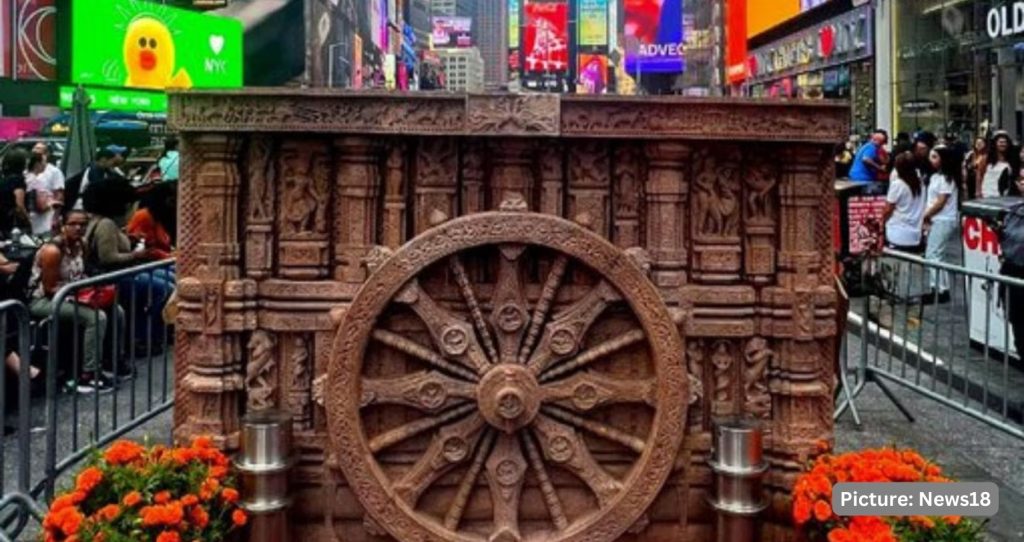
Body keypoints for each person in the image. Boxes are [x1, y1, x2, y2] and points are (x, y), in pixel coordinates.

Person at [28, 210, 124, 393]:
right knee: (96, 317)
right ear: (63, 225)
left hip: (73, 294)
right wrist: (81, 293)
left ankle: (113, 361)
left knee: (117, 310)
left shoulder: (82, 244)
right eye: (73, 224)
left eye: (82, 224)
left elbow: (81, 274)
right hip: (44, 300)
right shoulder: (52, 251)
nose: (78, 228)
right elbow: (49, 288)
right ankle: (89, 375)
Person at [83, 186, 171, 349]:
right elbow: (108, 257)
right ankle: (144, 335)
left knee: (164, 283)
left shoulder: (103, 221)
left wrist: (129, 238)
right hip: (115, 276)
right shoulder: (106, 224)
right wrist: (135, 256)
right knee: (161, 289)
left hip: (122, 272)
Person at [921, 145, 960, 304]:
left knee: (933, 254)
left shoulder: (946, 178)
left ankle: (939, 289)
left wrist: (927, 214)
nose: (931, 160)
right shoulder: (935, 177)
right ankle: (939, 288)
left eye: (935, 156)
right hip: (936, 219)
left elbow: (941, 201)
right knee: (937, 254)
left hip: (943, 219)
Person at [882, 151, 926, 253]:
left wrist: (881, 222)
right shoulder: (921, 184)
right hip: (915, 234)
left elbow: (888, 209)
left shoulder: (897, 185)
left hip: (897, 232)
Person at [127, 181, 176, 260]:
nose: (174, 205)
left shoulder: (166, 216)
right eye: (172, 201)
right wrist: (167, 256)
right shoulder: (144, 216)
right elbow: (140, 248)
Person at [25, 153, 61, 238]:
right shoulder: (36, 182)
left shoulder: (26, 177)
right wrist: (51, 202)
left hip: (32, 217)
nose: (46, 165)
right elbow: (41, 205)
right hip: (41, 221)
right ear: (37, 164)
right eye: (44, 162)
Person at [0, 149, 30, 236]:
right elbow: (19, 205)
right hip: (11, 224)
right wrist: (28, 221)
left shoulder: (4, 179)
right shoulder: (18, 180)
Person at [980, 131, 1017, 198]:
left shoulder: (1011, 160)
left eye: (1005, 142)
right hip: (986, 193)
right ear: (995, 143)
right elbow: (979, 175)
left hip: (1003, 195)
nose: (1003, 144)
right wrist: (978, 192)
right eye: (1000, 142)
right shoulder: (986, 158)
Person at [963, 136, 987, 200]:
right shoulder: (970, 154)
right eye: (977, 143)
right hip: (970, 181)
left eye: (981, 143)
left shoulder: (987, 155)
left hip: (982, 181)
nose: (979, 145)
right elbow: (964, 167)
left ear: (985, 144)